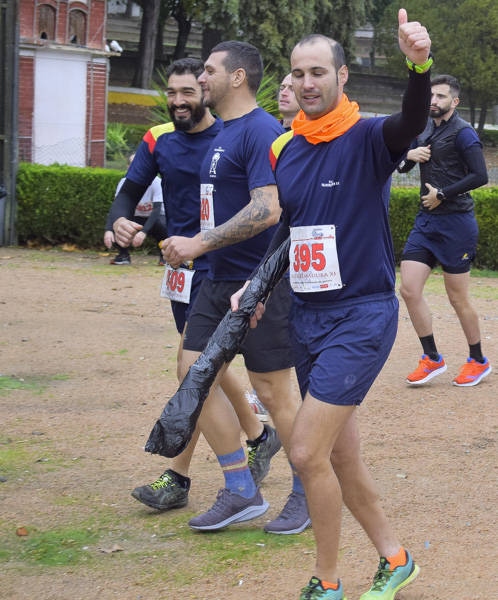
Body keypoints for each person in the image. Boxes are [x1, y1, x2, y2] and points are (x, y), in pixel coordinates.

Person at [229, 19, 430, 599]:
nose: (308, 83)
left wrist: (417, 66)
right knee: (340, 454)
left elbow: (411, 122)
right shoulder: (285, 149)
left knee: (303, 449)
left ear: (341, 75)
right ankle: (396, 558)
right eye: (299, 73)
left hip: (362, 315)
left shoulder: (370, 138)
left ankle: (326, 579)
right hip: (308, 317)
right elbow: (290, 232)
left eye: (319, 72)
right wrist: (258, 286)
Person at [108, 58, 276, 514]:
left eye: (192, 88)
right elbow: (130, 189)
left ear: (211, 89)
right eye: (173, 92)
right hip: (185, 268)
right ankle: (261, 436)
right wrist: (117, 222)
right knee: (206, 369)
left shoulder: (236, 131)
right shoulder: (159, 138)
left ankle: (180, 475)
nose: (182, 98)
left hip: (224, 264)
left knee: (199, 371)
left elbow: (270, 203)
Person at [159, 41, 307, 535]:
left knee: (272, 389)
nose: (201, 77)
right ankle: (241, 489)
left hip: (259, 282)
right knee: (192, 376)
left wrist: (198, 242)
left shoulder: (261, 129)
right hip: (217, 279)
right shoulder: (224, 131)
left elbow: (269, 209)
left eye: (208, 70)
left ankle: (308, 490)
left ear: (238, 77)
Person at [395, 74, 491, 387]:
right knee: (408, 289)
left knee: (457, 298)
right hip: (426, 222)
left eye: (440, 96)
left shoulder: (464, 133)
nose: (433, 101)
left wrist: (443, 194)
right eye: (431, 96)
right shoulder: (421, 127)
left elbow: (480, 176)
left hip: (457, 224)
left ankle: (478, 360)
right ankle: (432, 358)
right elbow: (402, 166)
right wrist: (408, 155)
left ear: (454, 101)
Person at [105, 153, 167, 265]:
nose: (141, 166)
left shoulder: (156, 182)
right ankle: (123, 255)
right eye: (136, 164)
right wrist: (108, 229)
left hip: (154, 218)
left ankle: (165, 256)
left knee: (161, 224)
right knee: (120, 221)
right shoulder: (124, 183)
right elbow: (116, 208)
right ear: (129, 168)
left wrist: (143, 232)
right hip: (136, 218)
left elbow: (157, 210)